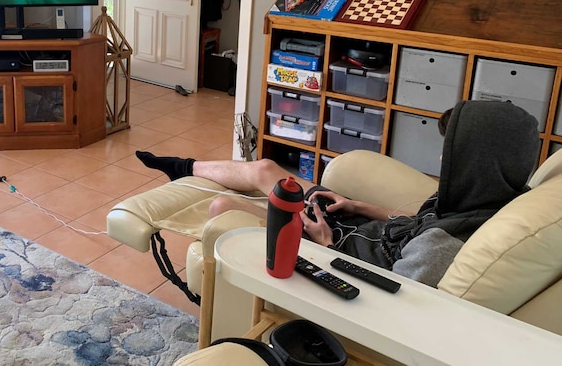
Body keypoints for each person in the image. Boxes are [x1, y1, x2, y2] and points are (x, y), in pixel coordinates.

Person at [136, 100, 539, 287]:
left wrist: (324, 243)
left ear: (477, 160)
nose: (439, 155)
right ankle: (181, 167)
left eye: (450, 149)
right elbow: (416, 223)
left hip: (333, 246)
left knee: (223, 206)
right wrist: (356, 205)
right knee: (265, 169)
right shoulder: (478, 195)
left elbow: (390, 299)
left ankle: (219, 287)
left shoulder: (443, 248)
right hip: (350, 225)